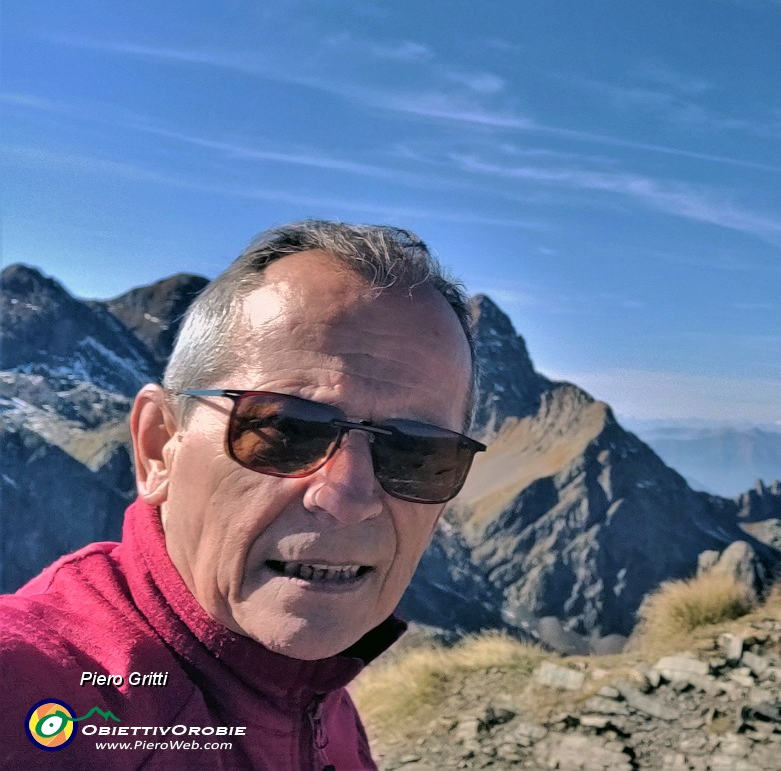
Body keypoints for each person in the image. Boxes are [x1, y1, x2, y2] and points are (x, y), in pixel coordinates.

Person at [0, 221, 486, 769]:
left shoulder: (318, 698)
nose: (349, 495)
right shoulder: (28, 683)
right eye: (285, 430)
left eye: (419, 453)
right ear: (158, 447)